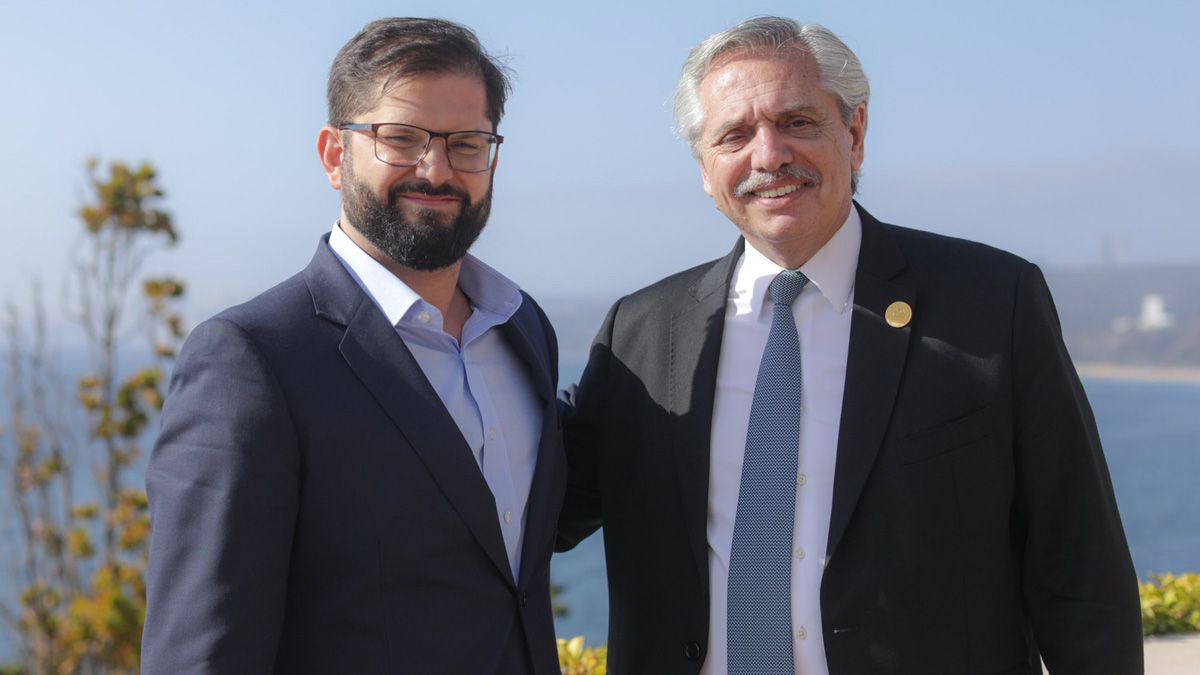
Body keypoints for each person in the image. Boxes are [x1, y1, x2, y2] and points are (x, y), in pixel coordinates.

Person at [556, 16, 1143, 675]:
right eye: (734, 136)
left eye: (797, 122)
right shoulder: (641, 332)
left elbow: (1080, 565)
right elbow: (528, 507)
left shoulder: (991, 303)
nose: (769, 156)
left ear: (855, 134)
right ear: (704, 167)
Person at [142, 18, 564, 673]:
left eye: (466, 144)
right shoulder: (252, 361)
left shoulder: (522, 328)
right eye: (400, 138)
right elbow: (203, 654)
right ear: (335, 154)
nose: (436, 170)